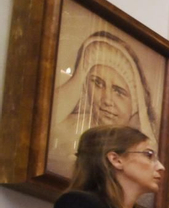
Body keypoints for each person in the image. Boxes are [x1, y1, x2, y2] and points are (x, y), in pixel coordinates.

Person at [47, 31, 160, 179]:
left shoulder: (138, 152)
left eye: (118, 92)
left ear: (135, 103)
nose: (107, 100)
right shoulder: (61, 130)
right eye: (97, 83)